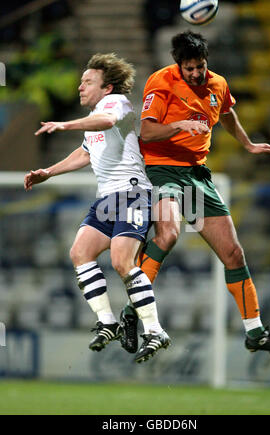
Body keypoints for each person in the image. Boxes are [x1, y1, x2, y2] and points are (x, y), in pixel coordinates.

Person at [122, 31, 270, 357]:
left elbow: (227, 114)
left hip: (197, 175)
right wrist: (181, 125)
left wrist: (248, 144)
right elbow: (147, 130)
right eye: (190, 69)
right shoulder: (162, 81)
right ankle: (132, 313)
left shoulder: (218, 84)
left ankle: (254, 332)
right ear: (178, 66)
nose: (196, 73)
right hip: (162, 169)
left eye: (200, 66)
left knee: (233, 254)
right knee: (168, 235)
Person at [24, 52, 172, 363]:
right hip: (107, 198)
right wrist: (47, 173)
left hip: (131, 193)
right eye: (81, 81)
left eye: (88, 81)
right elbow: (84, 154)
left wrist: (64, 125)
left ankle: (155, 330)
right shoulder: (94, 120)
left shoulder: (115, 103)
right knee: (80, 252)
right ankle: (107, 322)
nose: (80, 87)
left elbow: (105, 121)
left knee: (121, 260)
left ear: (107, 88)